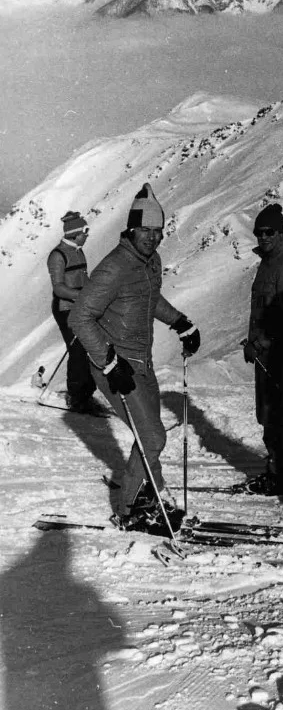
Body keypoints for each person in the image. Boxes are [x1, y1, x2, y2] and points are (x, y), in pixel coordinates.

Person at [69, 184, 200, 524]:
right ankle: (129, 509)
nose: (152, 238)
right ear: (131, 229)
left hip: (142, 362)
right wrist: (109, 362)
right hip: (115, 364)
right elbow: (79, 316)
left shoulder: (150, 262)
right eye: (146, 230)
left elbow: (149, 298)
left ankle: (148, 493)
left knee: (149, 434)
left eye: (158, 232)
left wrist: (181, 323)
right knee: (153, 436)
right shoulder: (115, 267)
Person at [242, 203, 283, 499]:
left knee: (275, 413)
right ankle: (276, 468)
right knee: (267, 412)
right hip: (262, 348)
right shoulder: (269, 262)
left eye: (269, 232)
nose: (263, 237)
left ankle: (282, 475)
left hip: (276, 349)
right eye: (259, 232)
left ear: (281, 232)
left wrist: (262, 343)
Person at [47, 211, 97, 413]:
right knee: (77, 349)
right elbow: (58, 288)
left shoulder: (78, 250)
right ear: (75, 233)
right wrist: (82, 295)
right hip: (65, 308)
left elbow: (83, 278)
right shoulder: (57, 255)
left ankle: (86, 395)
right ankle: (76, 397)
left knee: (89, 347)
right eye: (85, 232)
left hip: (81, 306)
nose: (87, 235)